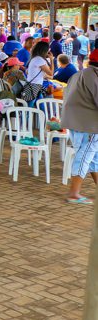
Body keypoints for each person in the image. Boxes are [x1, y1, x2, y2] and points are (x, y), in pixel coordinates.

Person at [63, 49, 98, 204]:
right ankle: (74, 193)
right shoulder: (94, 77)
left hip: (75, 123)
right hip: (88, 125)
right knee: (84, 156)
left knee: (92, 158)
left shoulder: (79, 74)